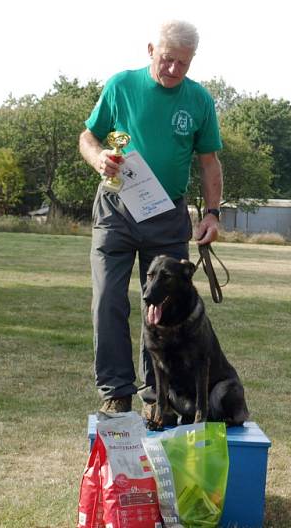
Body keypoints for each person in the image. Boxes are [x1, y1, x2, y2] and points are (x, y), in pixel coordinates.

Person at [79, 20, 223, 414]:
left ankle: (156, 395)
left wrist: (211, 214)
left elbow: (210, 163)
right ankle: (115, 391)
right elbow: (88, 137)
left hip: (166, 215)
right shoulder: (121, 86)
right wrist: (98, 158)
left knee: (165, 305)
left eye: (183, 63)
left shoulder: (199, 101)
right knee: (108, 298)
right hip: (115, 209)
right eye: (167, 59)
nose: (174, 69)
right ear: (150, 51)